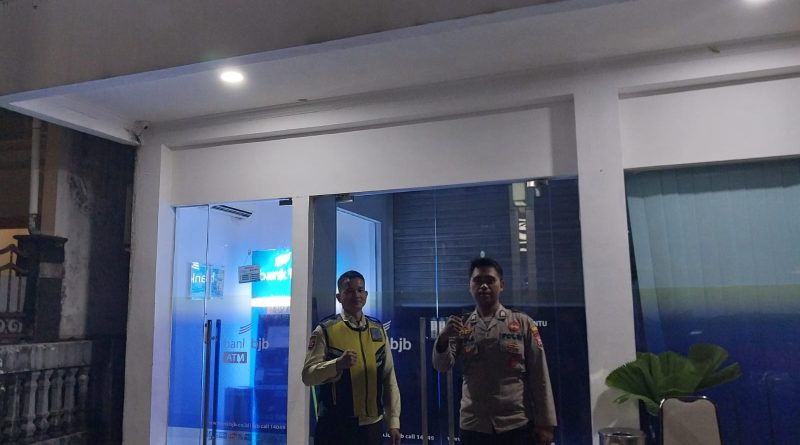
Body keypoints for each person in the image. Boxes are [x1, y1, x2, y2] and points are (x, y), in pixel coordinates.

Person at [432, 257, 556, 445]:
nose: (483, 286)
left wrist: (545, 423)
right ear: (470, 286)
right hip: (474, 426)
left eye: (490, 280)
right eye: (477, 281)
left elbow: (540, 374)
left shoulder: (522, 322)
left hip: (515, 423)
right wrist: (443, 338)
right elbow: (442, 366)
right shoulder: (461, 325)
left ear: (502, 285)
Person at [302, 270, 402, 445]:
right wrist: (337, 364)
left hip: (372, 426)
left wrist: (393, 421)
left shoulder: (378, 329)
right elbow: (308, 375)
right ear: (339, 297)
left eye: (360, 290)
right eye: (349, 291)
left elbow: (389, 377)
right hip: (335, 427)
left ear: (366, 295)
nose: (356, 295)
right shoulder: (325, 330)